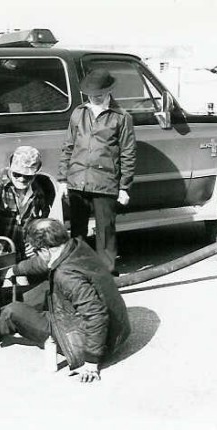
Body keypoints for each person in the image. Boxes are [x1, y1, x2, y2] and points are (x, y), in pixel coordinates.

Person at [0, 218, 131, 383]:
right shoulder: (75, 246)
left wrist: (91, 360)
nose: (38, 255)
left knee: (11, 311)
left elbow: (96, 313)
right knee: (43, 289)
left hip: (92, 344)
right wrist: (15, 270)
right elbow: (43, 262)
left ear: (44, 249)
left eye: (37, 251)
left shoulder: (66, 275)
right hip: (117, 333)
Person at [58, 68, 136, 275]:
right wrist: (62, 179)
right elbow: (68, 146)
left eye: (98, 95)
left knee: (106, 230)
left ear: (108, 92)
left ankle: (106, 272)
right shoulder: (78, 112)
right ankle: (77, 268)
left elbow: (128, 152)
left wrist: (124, 187)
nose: (94, 98)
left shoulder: (122, 117)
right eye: (91, 95)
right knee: (78, 231)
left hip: (105, 182)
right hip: (77, 181)